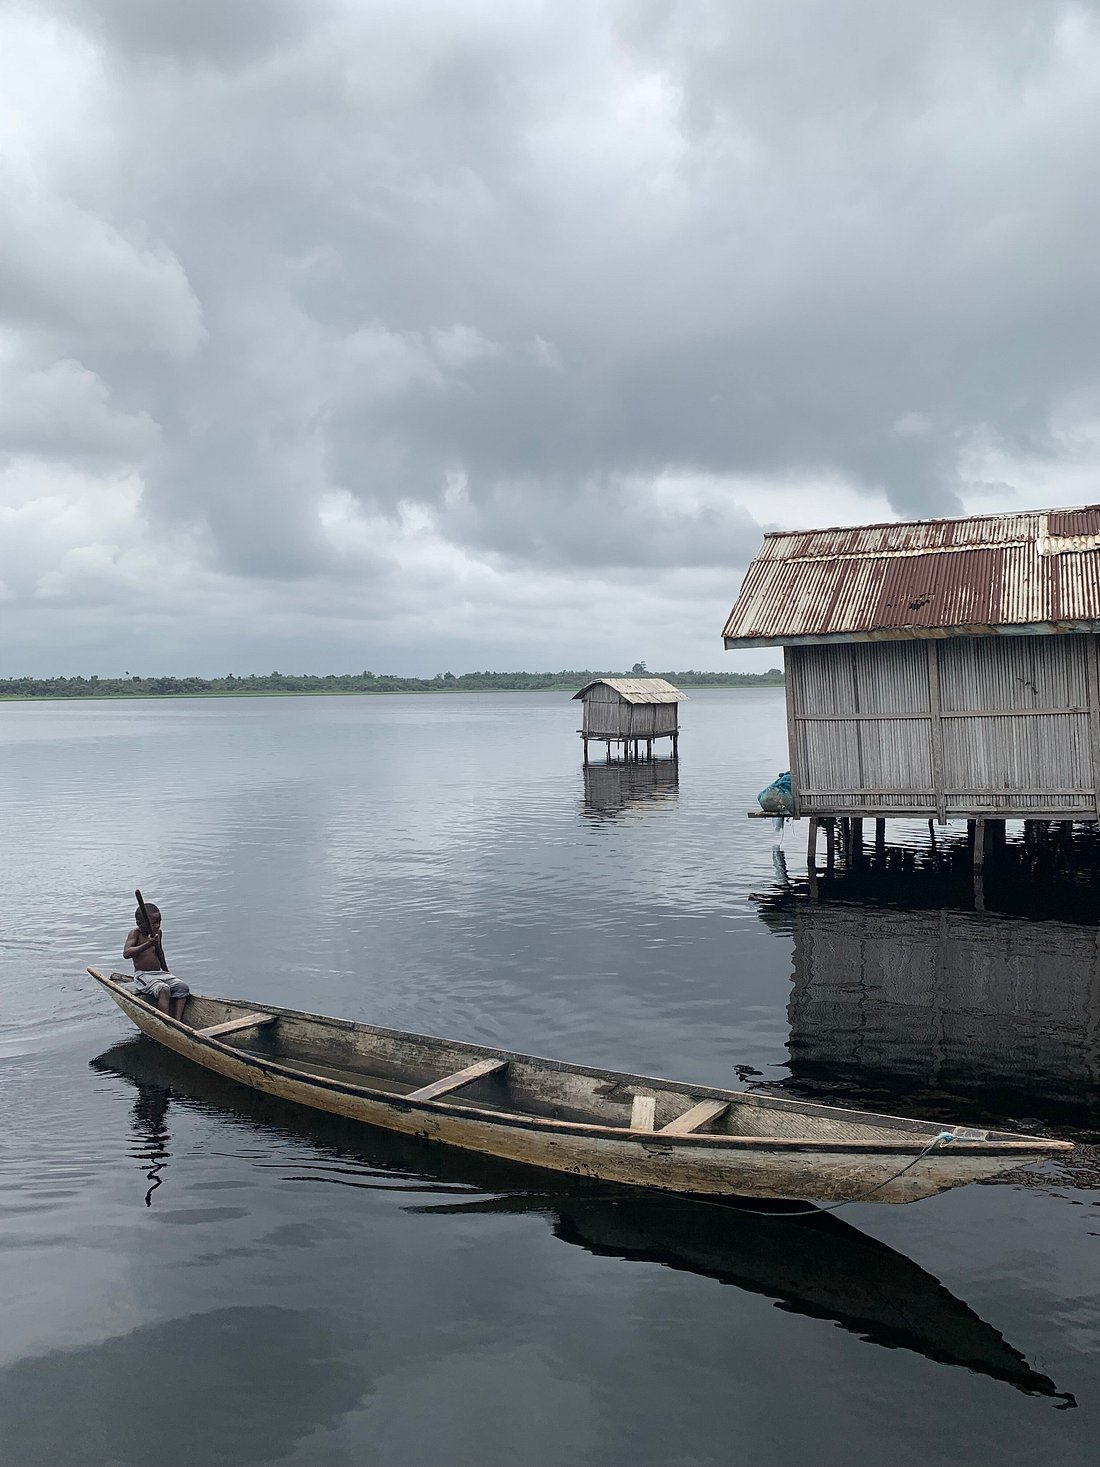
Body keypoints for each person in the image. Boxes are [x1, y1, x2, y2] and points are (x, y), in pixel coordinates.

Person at [123, 903, 190, 1019]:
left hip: (159, 974)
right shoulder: (135, 934)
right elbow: (126, 953)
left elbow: (160, 953)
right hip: (143, 975)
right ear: (139, 924)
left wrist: (167, 972)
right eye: (153, 923)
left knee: (182, 987)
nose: (157, 925)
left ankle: (178, 1021)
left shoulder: (158, 933)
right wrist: (147, 944)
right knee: (164, 989)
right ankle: (165, 1020)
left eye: (159, 922)